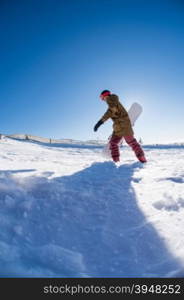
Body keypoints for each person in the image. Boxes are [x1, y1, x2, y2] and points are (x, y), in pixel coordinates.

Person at [93, 90, 147, 163]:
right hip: (118, 127)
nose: (103, 100)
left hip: (124, 125)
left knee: (131, 142)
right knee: (113, 143)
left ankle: (142, 160)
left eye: (102, 98)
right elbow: (110, 111)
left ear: (105, 96)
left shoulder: (111, 101)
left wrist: (99, 123)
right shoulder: (112, 103)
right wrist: (99, 123)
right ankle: (116, 161)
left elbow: (109, 112)